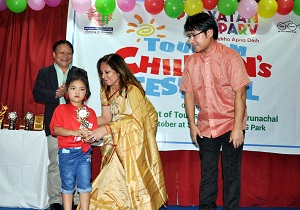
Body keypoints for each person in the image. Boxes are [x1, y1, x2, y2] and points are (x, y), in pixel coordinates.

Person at [78, 53, 168, 209]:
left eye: (107, 72)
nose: (103, 76)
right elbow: (106, 118)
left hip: (138, 132)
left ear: (118, 72)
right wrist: (86, 125)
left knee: (133, 170)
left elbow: (136, 121)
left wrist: (105, 130)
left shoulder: (132, 90)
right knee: (114, 171)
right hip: (118, 132)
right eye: (101, 73)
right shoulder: (105, 91)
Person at [180, 12, 250, 210]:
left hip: (230, 123)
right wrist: (192, 125)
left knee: (231, 174)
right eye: (189, 36)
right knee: (208, 173)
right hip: (206, 125)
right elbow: (189, 95)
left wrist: (237, 128)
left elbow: (240, 94)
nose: (191, 40)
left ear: (209, 32)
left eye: (194, 35)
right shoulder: (191, 62)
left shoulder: (230, 57)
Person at [32, 40, 84, 210]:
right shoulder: (45, 73)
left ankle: (76, 199)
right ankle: (55, 200)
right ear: (54, 55)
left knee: (76, 162)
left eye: (68, 53)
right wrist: (56, 94)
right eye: (61, 53)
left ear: (72, 55)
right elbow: (37, 94)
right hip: (55, 125)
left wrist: (68, 94)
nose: (65, 56)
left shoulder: (79, 72)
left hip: (76, 125)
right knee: (55, 163)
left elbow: (86, 92)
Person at [50, 69, 98, 210]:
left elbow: (94, 135)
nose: (77, 92)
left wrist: (89, 137)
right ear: (67, 91)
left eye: (82, 89)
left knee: (85, 184)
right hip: (66, 153)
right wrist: (74, 132)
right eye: (73, 88)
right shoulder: (61, 109)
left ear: (86, 93)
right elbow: (55, 129)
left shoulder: (90, 112)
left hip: (84, 153)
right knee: (68, 184)